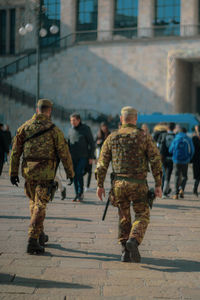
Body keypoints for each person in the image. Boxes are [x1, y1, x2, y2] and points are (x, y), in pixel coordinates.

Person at [96, 106, 162, 263]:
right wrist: (158, 184)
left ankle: (125, 251)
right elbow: (155, 160)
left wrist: (100, 184)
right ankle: (134, 239)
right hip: (138, 184)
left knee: (124, 216)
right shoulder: (144, 136)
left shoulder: (112, 137)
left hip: (118, 184)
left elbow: (101, 163)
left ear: (121, 119)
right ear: (136, 119)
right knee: (142, 214)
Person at [9, 99, 74, 254]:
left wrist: (13, 172)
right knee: (40, 205)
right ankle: (32, 239)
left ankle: (40, 234)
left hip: (29, 173)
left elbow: (15, 152)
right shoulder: (54, 130)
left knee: (33, 202)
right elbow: (64, 153)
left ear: (36, 110)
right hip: (46, 173)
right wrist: (70, 173)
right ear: (49, 111)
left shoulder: (24, 128)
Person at [68, 113, 95, 202]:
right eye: (71, 120)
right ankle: (77, 194)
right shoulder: (70, 130)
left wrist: (91, 157)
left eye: (74, 120)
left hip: (84, 156)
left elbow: (91, 143)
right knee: (74, 174)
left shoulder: (85, 129)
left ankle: (81, 193)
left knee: (79, 172)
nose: (72, 122)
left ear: (79, 120)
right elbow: (68, 143)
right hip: (73, 156)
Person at [169, 127, 194, 199]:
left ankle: (176, 194)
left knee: (176, 176)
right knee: (185, 176)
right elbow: (192, 150)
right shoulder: (188, 139)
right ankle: (181, 188)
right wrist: (189, 158)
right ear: (185, 132)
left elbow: (170, 150)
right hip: (185, 161)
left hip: (176, 160)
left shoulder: (176, 138)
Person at [159, 122, 176, 198]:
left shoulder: (163, 135)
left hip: (163, 158)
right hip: (172, 158)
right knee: (168, 175)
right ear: (174, 128)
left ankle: (162, 191)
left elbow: (158, 146)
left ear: (167, 128)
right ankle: (165, 192)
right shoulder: (176, 136)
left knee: (163, 175)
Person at [191, 125, 200, 196]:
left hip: (196, 160)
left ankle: (195, 189)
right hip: (196, 160)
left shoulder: (194, 138)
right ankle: (195, 189)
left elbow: (191, 149)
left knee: (197, 176)